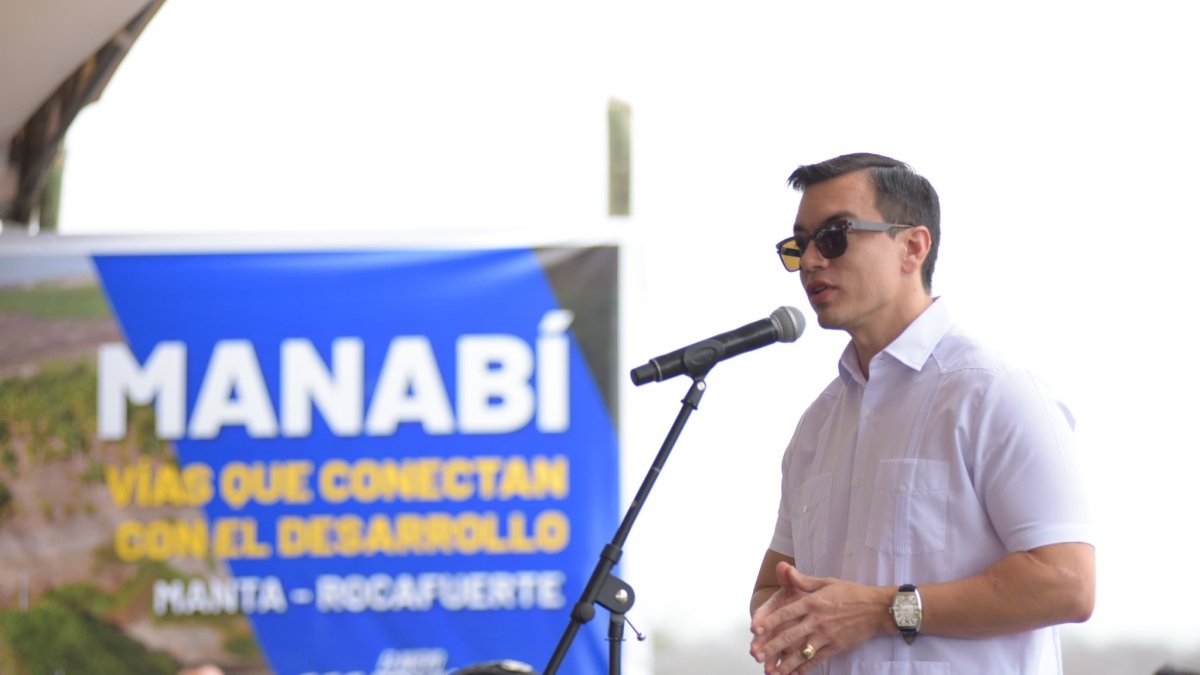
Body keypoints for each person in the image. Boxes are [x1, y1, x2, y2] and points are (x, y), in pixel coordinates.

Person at [748, 153, 1095, 674]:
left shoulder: (993, 392)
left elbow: (1068, 583)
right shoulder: (817, 425)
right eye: (800, 245)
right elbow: (774, 584)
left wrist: (882, 611)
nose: (813, 260)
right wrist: (789, 622)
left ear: (912, 246)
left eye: (835, 236)